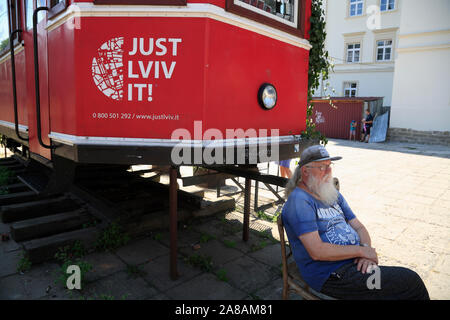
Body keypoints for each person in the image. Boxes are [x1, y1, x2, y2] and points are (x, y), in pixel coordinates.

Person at [281, 145, 429, 300]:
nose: (328, 172)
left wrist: (365, 250)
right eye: (322, 167)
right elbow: (317, 251)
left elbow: (358, 226)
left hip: (356, 263)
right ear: (306, 171)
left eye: (329, 166)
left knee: (397, 287)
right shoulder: (300, 201)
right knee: (410, 282)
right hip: (332, 275)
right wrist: (361, 251)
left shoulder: (331, 193)